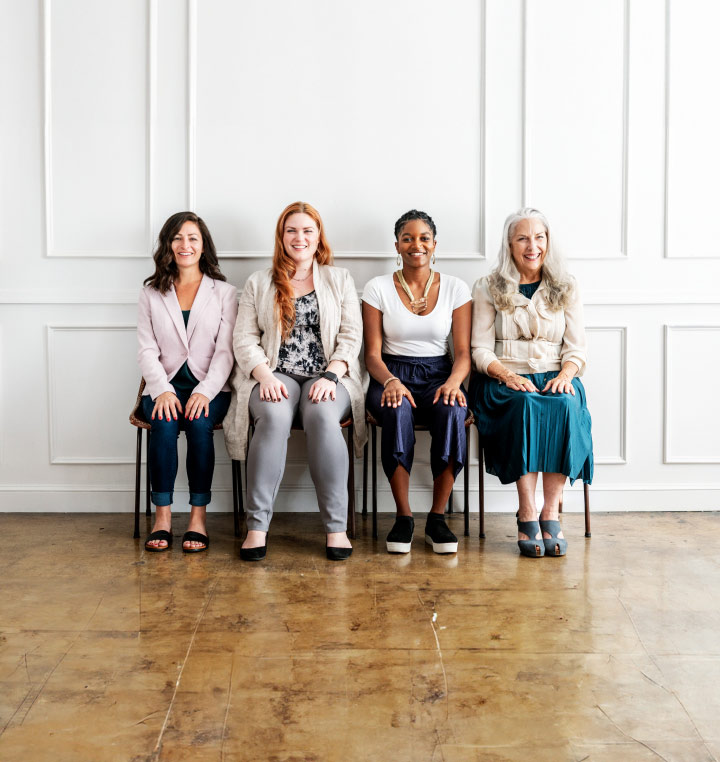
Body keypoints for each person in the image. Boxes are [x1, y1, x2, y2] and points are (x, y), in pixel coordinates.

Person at [223, 201, 365, 561]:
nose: (299, 238)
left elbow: (351, 335)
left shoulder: (340, 279)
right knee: (271, 417)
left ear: (319, 237)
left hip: (329, 376)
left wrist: (332, 374)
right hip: (274, 375)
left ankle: (336, 529)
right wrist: (263, 374)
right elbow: (243, 338)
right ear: (281, 236)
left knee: (321, 416)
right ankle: (257, 528)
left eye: (307, 230)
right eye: (291, 230)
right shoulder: (259, 282)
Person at [469, 207, 593, 558]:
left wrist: (566, 375)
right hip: (502, 379)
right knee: (524, 404)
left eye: (539, 237)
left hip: (556, 374)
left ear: (548, 242)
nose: (532, 245)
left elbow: (577, 348)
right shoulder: (488, 287)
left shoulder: (567, 286)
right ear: (510, 244)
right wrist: (507, 375)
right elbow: (478, 348)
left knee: (564, 404)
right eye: (523, 238)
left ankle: (550, 511)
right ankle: (526, 510)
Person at [362, 210, 472, 555]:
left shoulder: (455, 287)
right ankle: (404, 517)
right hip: (391, 372)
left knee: (454, 412)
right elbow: (372, 355)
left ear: (434, 244)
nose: (416, 244)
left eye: (423, 238)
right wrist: (392, 381)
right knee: (395, 411)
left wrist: (455, 382)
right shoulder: (377, 287)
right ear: (397, 245)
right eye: (407, 238)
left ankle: (438, 518)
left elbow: (464, 352)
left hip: (441, 373)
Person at [137, 211, 237, 553]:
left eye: (193, 238)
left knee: (198, 424)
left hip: (209, 386)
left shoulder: (224, 293)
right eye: (177, 237)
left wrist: (205, 391)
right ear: (168, 245)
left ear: (203, 245)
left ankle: (198, 518)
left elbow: (226, 353)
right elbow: (146, 350)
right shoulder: (151, 292)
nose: (185, 244)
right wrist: (162, 389)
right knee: (163, 424)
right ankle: (162, 518)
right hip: (163, 385)